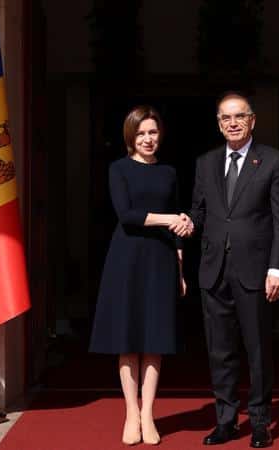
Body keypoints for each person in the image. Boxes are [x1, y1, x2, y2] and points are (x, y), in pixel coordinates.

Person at [186, 92, 279, 448]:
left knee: (257, 349)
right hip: (213, 271)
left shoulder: (273, 161)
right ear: (218, 124)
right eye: (225, 118)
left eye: (239, 116)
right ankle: (226, 421)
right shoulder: (205, 163)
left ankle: (260, 422)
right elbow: (200, 212)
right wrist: (186, 223)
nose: (232, 123)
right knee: (220, 351)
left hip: (255, 272)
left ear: (252, 120)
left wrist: (278, 269)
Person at [88, 105, 192, 446]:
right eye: (141, 133)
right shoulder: (118, 169)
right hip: (127, 259)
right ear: (131, 137)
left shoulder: (169, 172)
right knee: (128, 338)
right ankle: (131, 412)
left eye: (153, 132)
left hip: (162, 260)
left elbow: (178, 219)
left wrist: (180, 269)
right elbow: (127, 215)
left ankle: (148, 413)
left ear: (161, 134)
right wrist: (170, 219)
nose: (148, 139)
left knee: (155, 339)